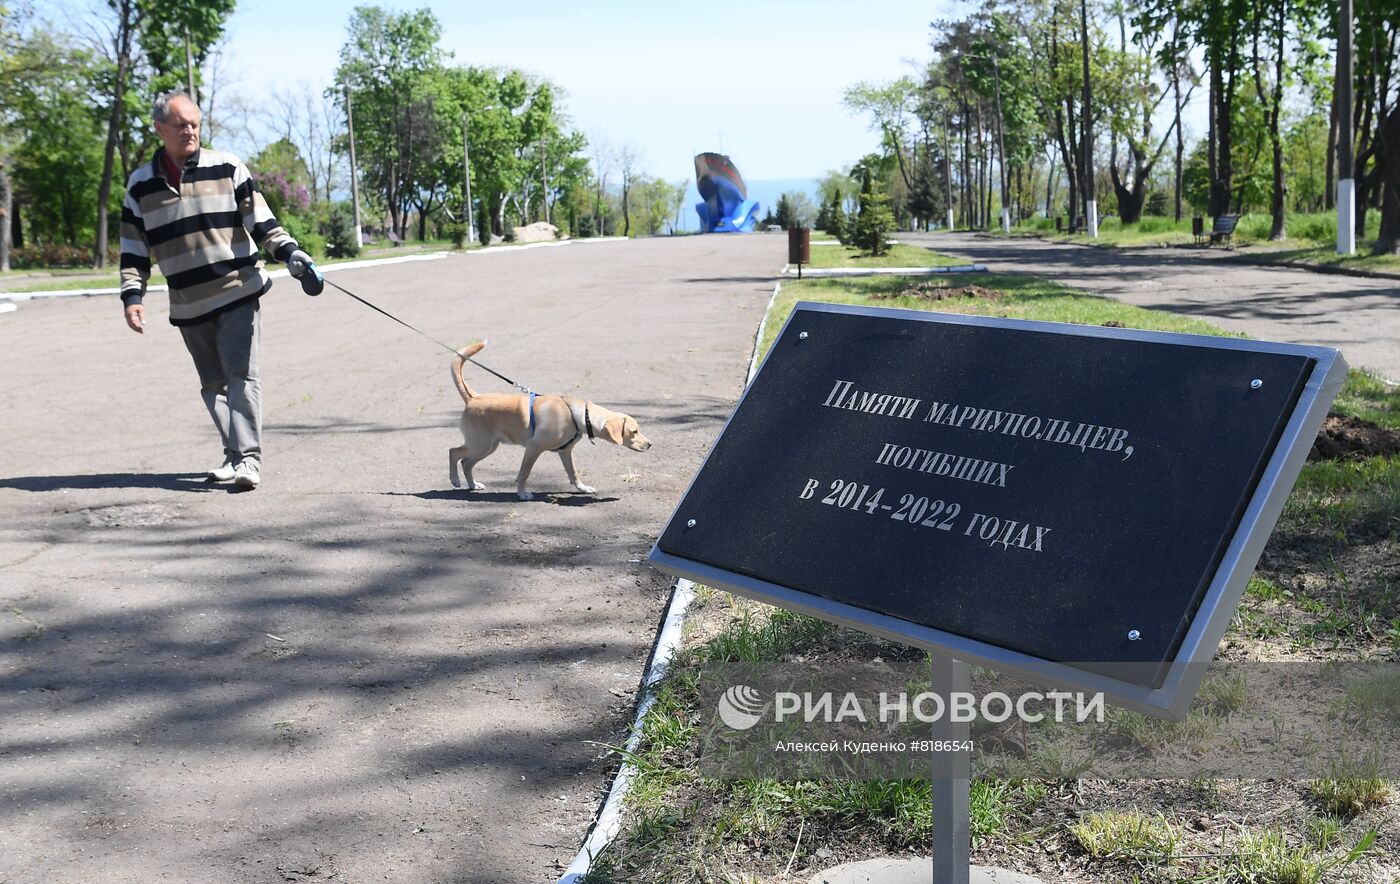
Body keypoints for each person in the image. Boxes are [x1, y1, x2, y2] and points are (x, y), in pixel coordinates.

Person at [120, 91, 322, 490]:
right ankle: (233, 455)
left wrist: (292, 253)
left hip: (237, 290)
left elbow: (261, 220)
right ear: (161, 129)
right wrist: (133, 296)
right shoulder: (140, 185)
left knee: (241, 375)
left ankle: (249, 458)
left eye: (195, 123)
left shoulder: (227, 166)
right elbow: (133, 247)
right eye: (181, 125)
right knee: (213, 384)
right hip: (188, 301)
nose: (190, 131)